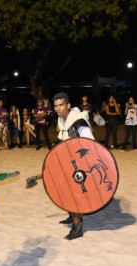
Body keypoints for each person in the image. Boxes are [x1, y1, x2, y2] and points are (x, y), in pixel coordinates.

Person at [53, 92, 94, 240]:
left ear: (68, 105)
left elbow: (91, 144)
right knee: (63, 188)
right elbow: (62, 140)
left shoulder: (79, 121)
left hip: (79, 164)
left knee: (72, 193)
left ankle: (77, 227)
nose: (58, 108)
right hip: (67, 160)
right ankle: (72, 215)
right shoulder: (61, 119)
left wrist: (79, 163)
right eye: (56, 106)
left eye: (61, 105)